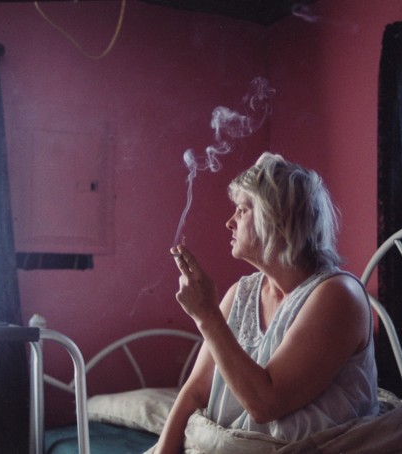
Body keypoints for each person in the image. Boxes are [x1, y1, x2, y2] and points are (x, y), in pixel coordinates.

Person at [152, 152, 378, 453]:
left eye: (243, 210)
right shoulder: (241, 294)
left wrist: (206, 316)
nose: (229, 222)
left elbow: (265, 404)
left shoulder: (338, 295)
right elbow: (194, 393)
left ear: (278, 221)